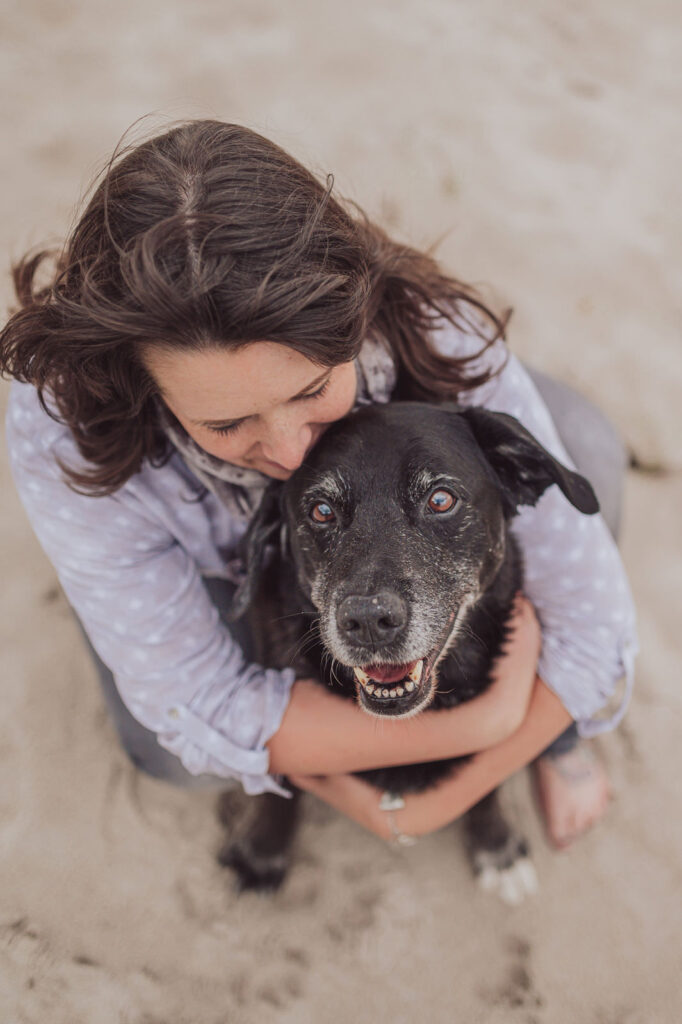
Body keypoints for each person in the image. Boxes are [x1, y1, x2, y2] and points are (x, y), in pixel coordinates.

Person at [1, 119, 637, 851]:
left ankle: (556, 741)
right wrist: (484, 727)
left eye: (311, 390)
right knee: (169, 755)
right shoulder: (63, 424)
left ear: (356, 317)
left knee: (583, 446)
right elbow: (197, 705)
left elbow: (596, 628)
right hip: (230, 566)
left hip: (422, 459)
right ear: (143, 387)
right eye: (228, 421)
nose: (289, 450)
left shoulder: (438, 326)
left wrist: (474, 776)